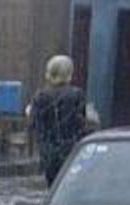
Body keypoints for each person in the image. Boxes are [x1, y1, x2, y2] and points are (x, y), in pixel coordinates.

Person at [27, 55, 88, 187]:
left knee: (53, 187)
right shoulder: (76, 94)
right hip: (70, 152)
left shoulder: (40, 96)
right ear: (68, 73)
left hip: (48, 154)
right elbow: (82, 125)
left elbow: (33, 124)